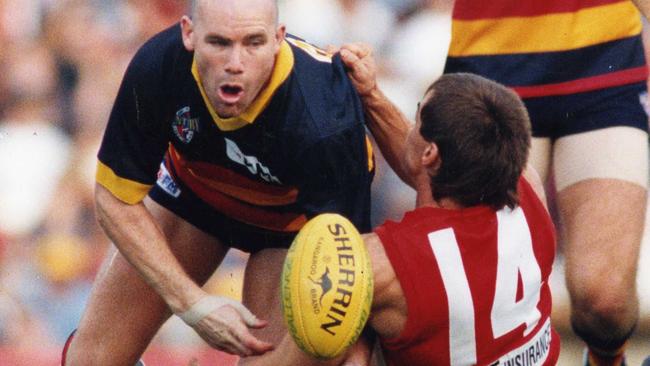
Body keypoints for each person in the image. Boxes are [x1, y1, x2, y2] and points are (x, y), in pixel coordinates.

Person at [62, 0, 374, 365]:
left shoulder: (325, 118)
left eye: (254, 43)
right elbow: (114, 199)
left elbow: (349, 272)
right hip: (195, 198)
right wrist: (192, 304)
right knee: (90, 361)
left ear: (279, 39)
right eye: (219, 43)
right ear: (188, 34)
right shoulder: (159, 65)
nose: (235, 64)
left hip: (290, 231)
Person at [270, 70, 561, 366]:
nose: (409, 127)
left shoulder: (380, 264)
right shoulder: (528, 186)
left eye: (417, 116)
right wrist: (370, 96)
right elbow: (427, 166)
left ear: (431, 153)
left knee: (350, 349)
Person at [443, 1, 649, 365]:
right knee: (488, 299)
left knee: (606, 304)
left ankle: (607, 359)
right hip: (488, 70)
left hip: (603, 61)